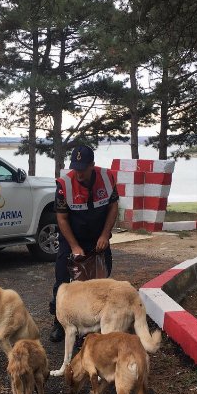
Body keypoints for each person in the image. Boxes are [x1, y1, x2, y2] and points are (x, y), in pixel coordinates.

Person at [49, 145, 119, 343]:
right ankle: (58, 322)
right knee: (62, 282)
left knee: (99, 284)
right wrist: (74, 247)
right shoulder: (65, 184)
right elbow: (61, 218)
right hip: (71, 237)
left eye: (82, 168)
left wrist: (105, 235)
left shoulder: (107, 178)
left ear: (92, 165)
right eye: (75, 168)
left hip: (98, 238)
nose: (78, 173)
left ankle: (91, 327)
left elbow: (113, 207)